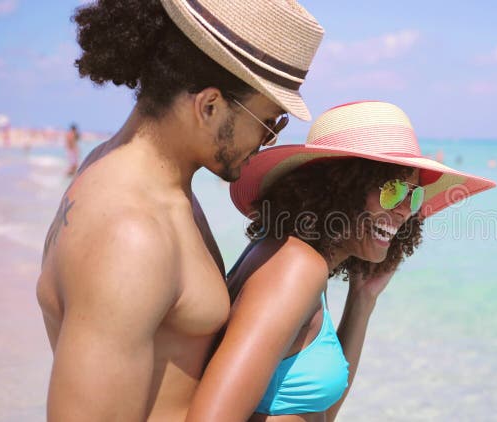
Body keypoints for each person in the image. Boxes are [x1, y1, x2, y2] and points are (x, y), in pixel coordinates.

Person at [35, 0, 324, 420]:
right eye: (269, 122)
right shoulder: (130, 234)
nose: (269, 141)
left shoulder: (135, 175)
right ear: (209, 106)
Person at [186, 101, 496, 421]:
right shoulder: (295, 267)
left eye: (413, 195)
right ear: (337, 186)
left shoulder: (287, 256)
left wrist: (363, 299)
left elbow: (318, 413)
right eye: (393, 189)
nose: (405, 209)